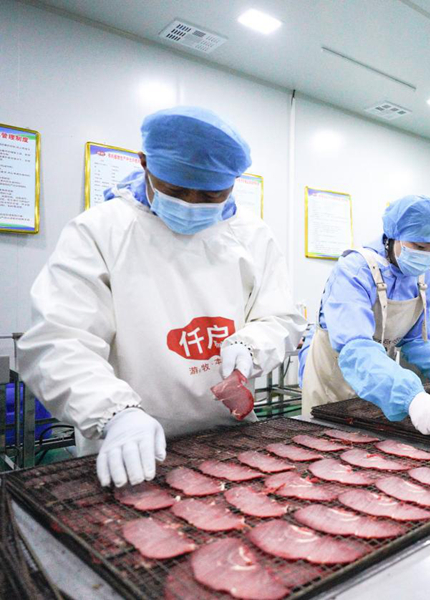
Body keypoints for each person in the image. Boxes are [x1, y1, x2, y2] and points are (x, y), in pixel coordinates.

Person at [18, 106, 305, 487]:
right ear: (144, 164)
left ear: (234, 183)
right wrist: (115, 413)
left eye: (210, 195)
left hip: (228, 439)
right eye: (176, 190)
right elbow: (59, 340)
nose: (191, 204)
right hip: (126, 445)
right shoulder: (101, 231)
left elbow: (280, 317)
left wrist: (252, 345)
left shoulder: (251, 235)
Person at [298, 195, 430, 434]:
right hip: (334, 381)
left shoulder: (423, 279)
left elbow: (415, 339)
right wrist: (408, 395)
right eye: (419, 247)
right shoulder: (355, 270)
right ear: (394, 236)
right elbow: (355, 347)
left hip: (381, 383)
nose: (426, 256)